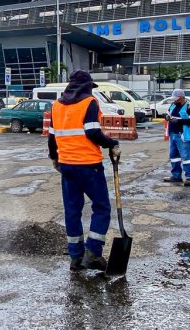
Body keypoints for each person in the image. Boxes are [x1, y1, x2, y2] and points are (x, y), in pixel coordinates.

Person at [47, 70, 121, 272]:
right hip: (88, 165)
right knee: (102, 207)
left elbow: (52, 137)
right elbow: (93, 132)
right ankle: (93, 253)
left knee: (72, 211)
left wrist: (55, 158)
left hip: (67, 166)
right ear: (87, 87)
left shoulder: (57, 105)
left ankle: (75, 257)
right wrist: (112, 143)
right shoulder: (89, 102)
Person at [165, 89, 190, 187]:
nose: (174, 101)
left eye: (177, 99)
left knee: (186, 157)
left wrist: (178, 121)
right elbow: (168, 114)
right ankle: (176, 176)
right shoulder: (173, 105)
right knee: (174, 156)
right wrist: (167, 117)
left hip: (183, 135)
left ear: (182, 98)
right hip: (173, 134)